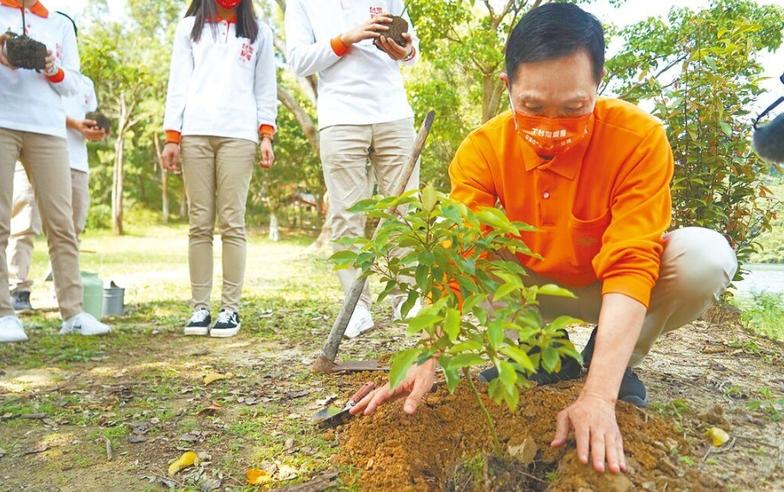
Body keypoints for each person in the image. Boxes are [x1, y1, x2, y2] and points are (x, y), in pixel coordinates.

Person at [350, 3, 737, 476]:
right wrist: (430, 351)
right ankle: (534, 353)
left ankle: (610, 364)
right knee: (476, 252)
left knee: (705, 256)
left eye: (574, 107)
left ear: (598, 85)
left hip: (605, 289)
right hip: (524, 292)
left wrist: (597, 397)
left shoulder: (638, 139)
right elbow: (460, 253)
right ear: (509, 86)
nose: (552, 126)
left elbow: (633, 261)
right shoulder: (484, 150)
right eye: (532, 107)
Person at [285, 0, 421, 338]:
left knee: (404, 210)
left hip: (393, 113)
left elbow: (412, 50)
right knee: (346, 214)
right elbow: (298, 61)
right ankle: (356, 306)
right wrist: (345, 39)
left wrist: (401, 50)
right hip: (340, 118)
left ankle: (408, 298)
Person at [162, 0, 277, 338]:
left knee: (232, 222)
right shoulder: (189, 28)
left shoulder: (259, 33)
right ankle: (200, 307)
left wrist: (266, 134)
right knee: (199, 224)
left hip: (239, 136)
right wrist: (172, 136)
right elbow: (178, 84)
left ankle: (230, 308)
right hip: (194, 133)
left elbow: (265, 88)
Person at [0, 0, 111, 343]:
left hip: (48, 127)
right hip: (2, 122)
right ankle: (4, 314)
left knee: (61, 224)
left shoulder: (60, 23)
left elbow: (73, 85)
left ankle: (73, 312)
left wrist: (53, 68)